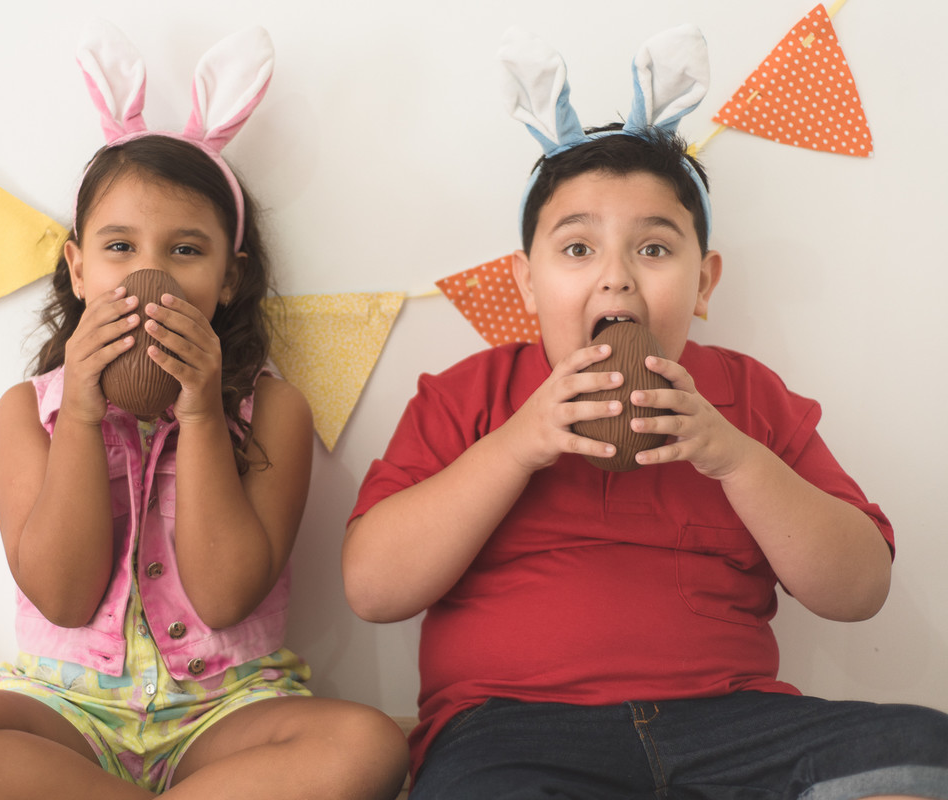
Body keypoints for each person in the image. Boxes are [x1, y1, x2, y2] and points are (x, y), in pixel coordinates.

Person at [343, 25, 948, 799]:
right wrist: (518, 445)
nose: (617, 279)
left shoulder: (747, 399)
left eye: (655, 250)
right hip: (515, 731)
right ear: (527, 286)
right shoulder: (469, 397)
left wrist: (733, 456)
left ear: (704, 284)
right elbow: (372, 589)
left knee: (923, 750)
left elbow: (859, 589)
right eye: (577, 250)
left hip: (734, 725)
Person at [0, 25, 408, 800]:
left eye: (187, 250)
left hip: (227, 714)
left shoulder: (274, 408)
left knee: (367, 745)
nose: (149, 272)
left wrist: (199, 414)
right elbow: (62, 595)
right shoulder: (30, 412)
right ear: (78, 266)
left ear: (230, 278)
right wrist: (83, 416)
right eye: (120, 246)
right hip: (66, 711)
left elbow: (225, 596)